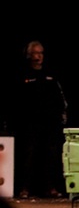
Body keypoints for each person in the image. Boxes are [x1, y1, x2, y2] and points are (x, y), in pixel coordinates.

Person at [12, 41, 67, 199]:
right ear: (29, 55)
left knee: (50, 156)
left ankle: (50, 188)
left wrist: (60, 115)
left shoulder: (50, 75)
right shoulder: (23, 75)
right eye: (35, 53)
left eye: (41, 53)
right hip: (29, 124)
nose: (39, 57)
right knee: (28, 156)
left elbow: (59, 98)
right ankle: (24, 188)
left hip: (50, 123)